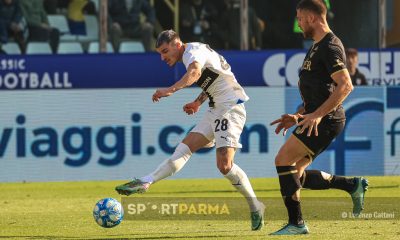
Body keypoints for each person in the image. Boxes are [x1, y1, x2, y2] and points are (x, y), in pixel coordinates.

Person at [115, 29, 265, 231]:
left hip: (230, 108)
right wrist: (197, 102)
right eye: (160, 53)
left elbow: (194, 74)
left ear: (178, 44)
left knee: (225, 166)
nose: (163, 57)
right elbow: (212, 79)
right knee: (184, 148)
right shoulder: (196, 50)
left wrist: (169, 90)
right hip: (216, 108)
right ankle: (147, 180)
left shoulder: (191, 53)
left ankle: (256, 206)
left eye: (165, 51)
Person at [269, 0, 368, 235]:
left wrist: (316, 115)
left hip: (327, 120)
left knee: (283, 160)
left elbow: (346, 86)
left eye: (300, 19)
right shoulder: (316, 46)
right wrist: (298, 115)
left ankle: (297, 223)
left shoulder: (330, 46)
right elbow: (319, 91)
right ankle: (352, 185)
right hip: (321, 118)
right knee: (296, 175)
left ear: (312, 18)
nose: (298, 23)